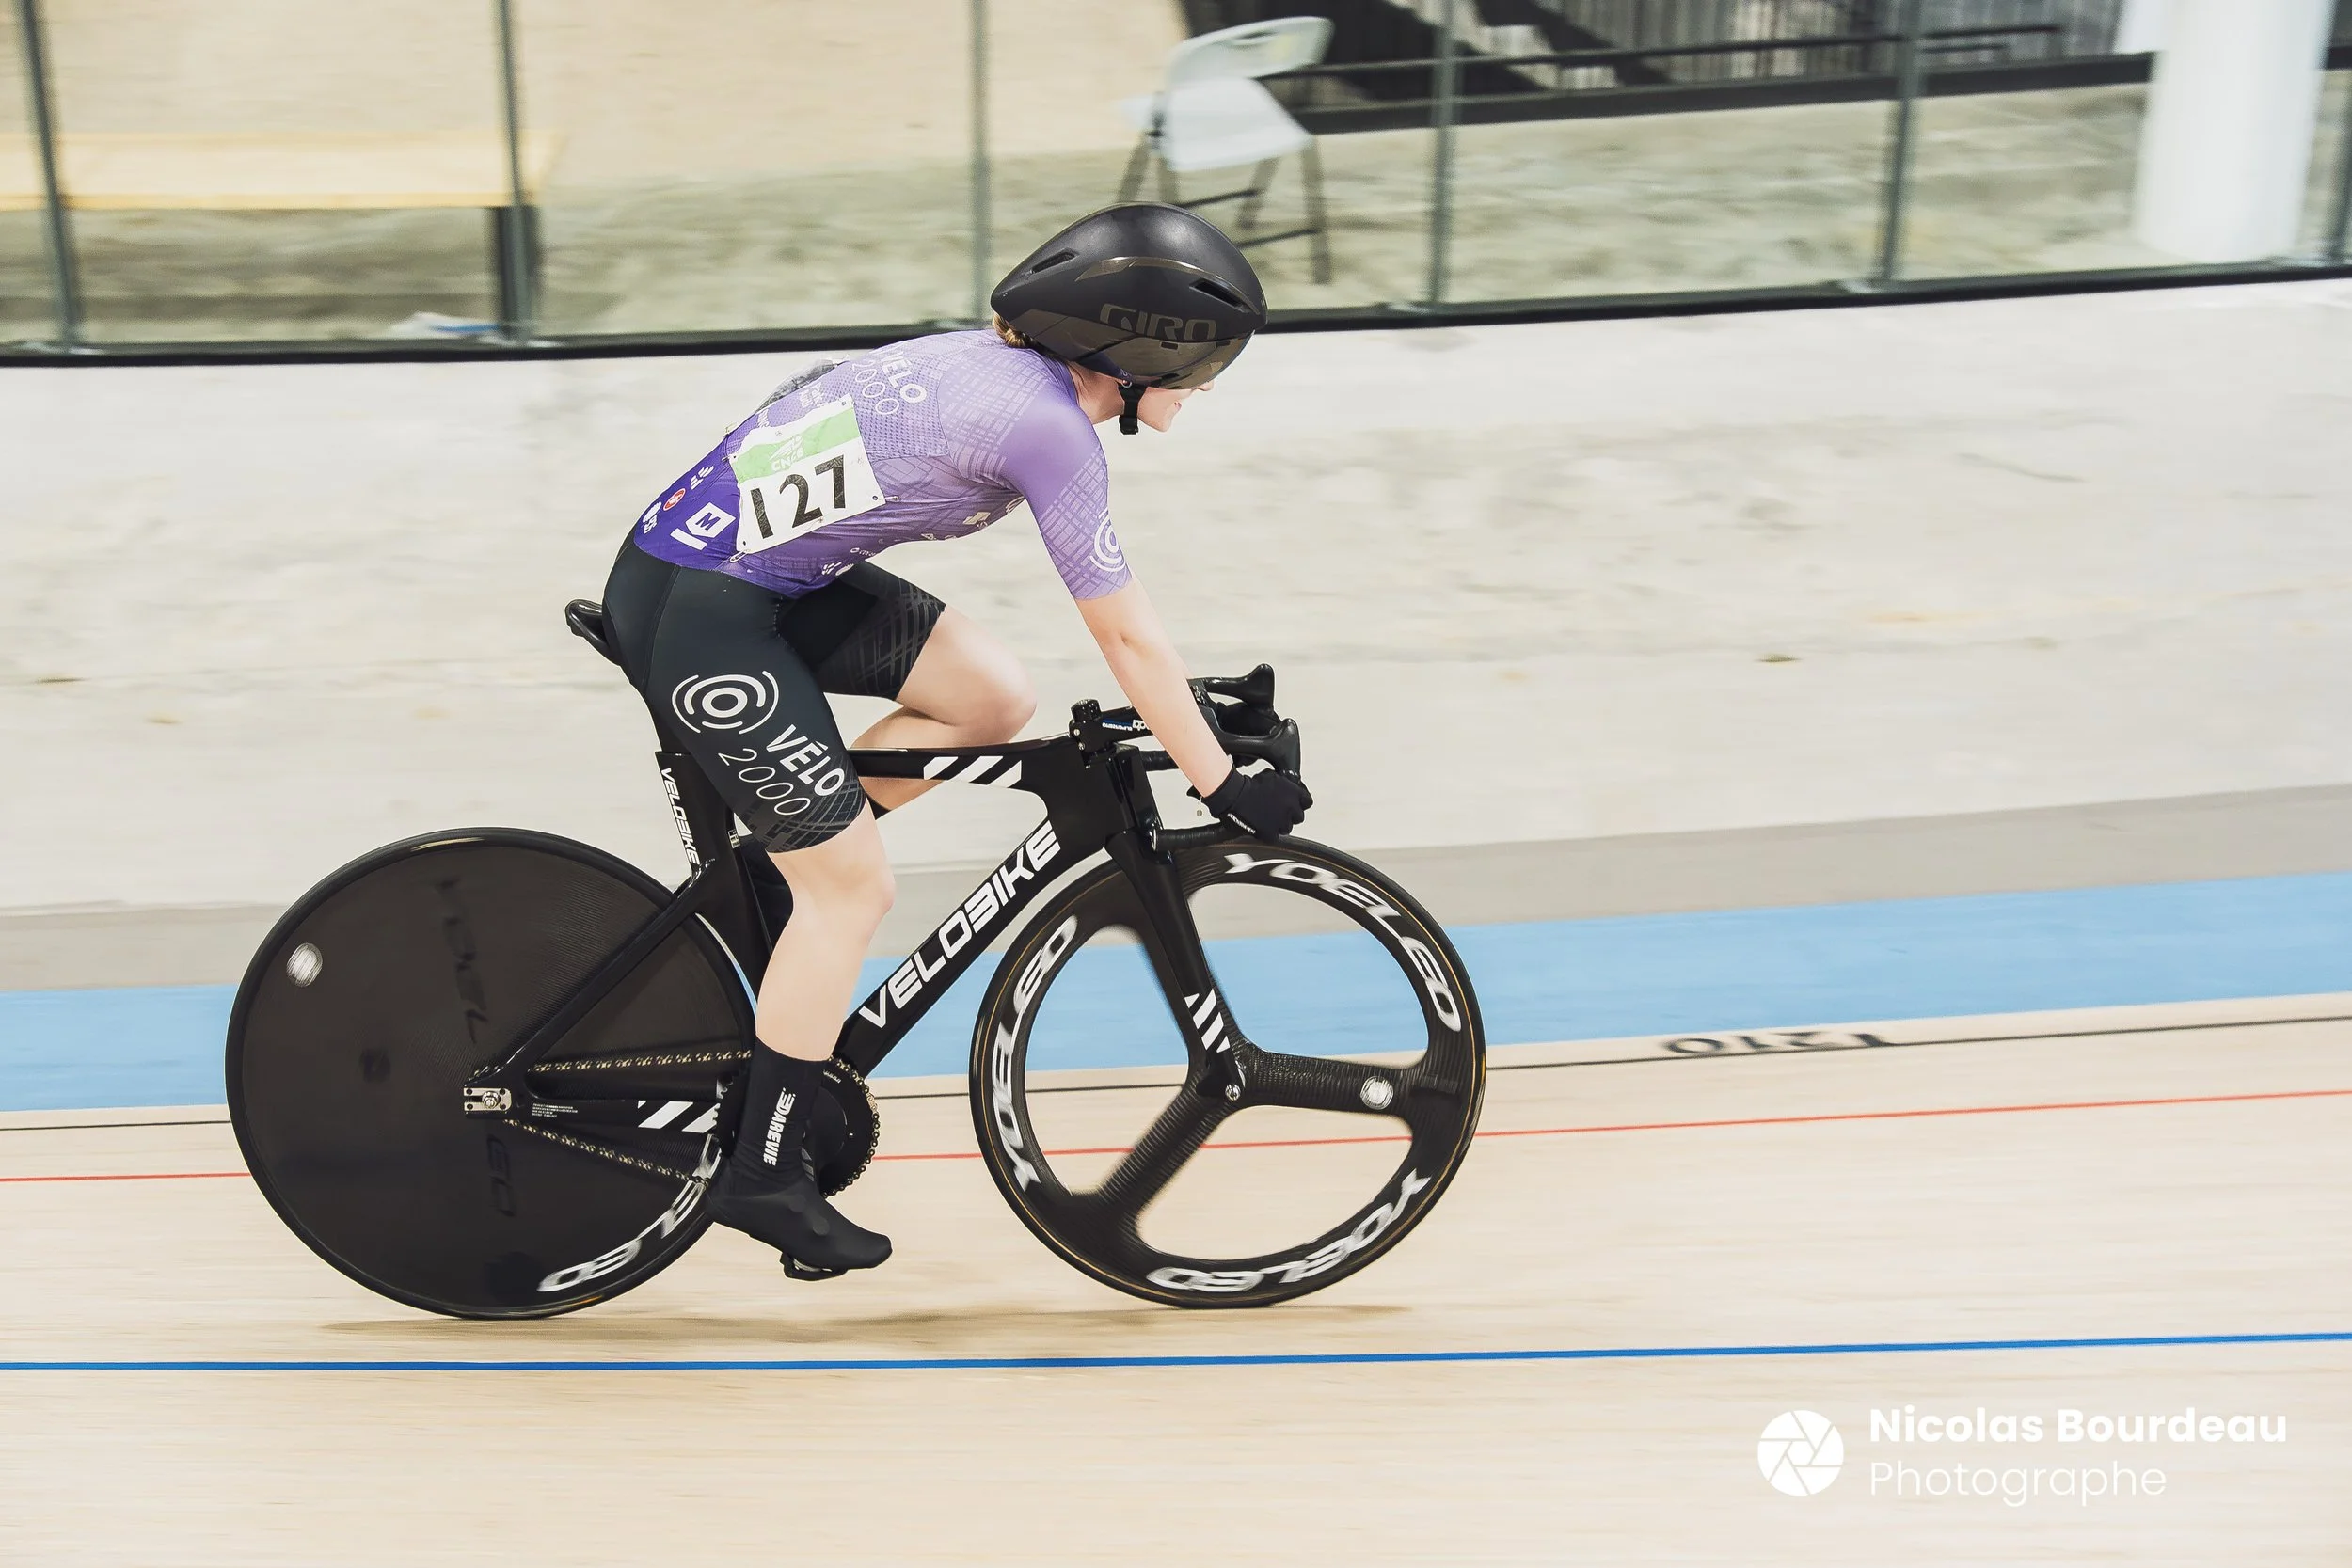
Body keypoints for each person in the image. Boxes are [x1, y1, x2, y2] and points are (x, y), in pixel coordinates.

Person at [598, 204, 1313, 1277]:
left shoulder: (983, 365)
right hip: (705, 614)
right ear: (1136, 348)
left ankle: (787, 853)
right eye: (1204, 358)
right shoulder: (1047, 430)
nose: (1210, 381)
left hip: (733, 576)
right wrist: (1214, 777)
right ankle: (763, 1170)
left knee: (988, 693)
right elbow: (1122, 630)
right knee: (852, 890)